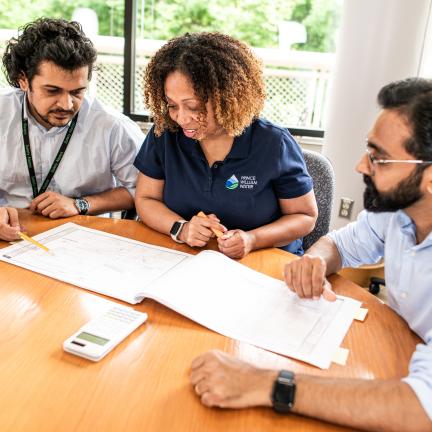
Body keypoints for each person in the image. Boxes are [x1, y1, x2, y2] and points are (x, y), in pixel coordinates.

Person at [190, 78, 432, 431]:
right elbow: (340, 244)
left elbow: (419, 411)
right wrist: (316, 259)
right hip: (402, 355)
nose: (361, 166)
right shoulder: (396, 213)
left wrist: (263, 383)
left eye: (379, 158)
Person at [134, 32, 317, 259]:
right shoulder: (165, 133)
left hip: (262, 261)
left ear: (228, 98)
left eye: (193, 106)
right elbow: (145, 199)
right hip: (186, 258)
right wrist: (181, 228)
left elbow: (304, 217)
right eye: (172, 105)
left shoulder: (273, 144)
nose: (181, 118)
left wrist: (253, 239)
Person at [0, 18, 144, 241]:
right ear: (23, 81)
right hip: (12, 235)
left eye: (77, 92)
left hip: (86, 240)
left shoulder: (112, 126)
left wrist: (80, 204)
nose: (66, 105)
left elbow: (144, 192)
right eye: (52, 91)